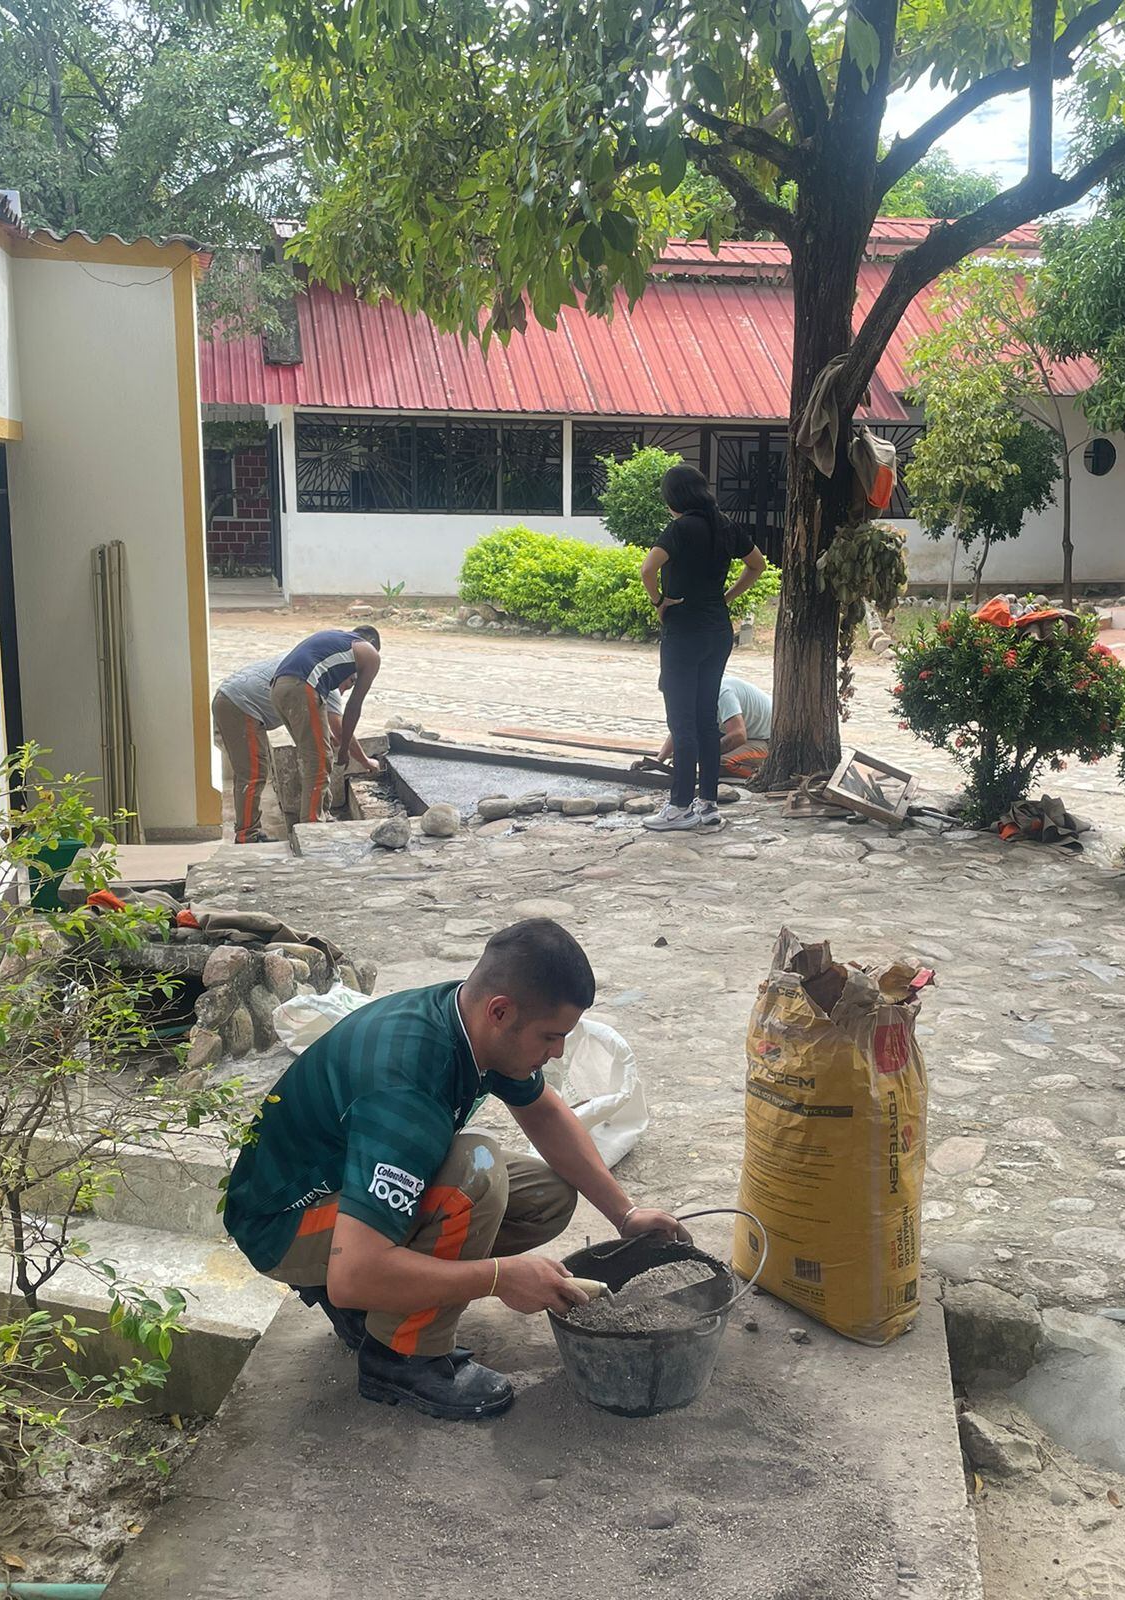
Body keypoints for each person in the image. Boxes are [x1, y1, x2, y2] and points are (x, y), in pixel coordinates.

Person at [223, 919, 690, 1421]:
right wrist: (497, 1278)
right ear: (501, 1011)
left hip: (345, 1180)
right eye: (551, 1038)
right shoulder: (405, 1086)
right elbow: (353, 1272)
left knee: (547, 1195)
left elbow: (544, 1110)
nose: (556, 1053)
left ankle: (376, 1302)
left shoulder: (468, 1021)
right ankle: (402, 1355)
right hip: (283, 1222)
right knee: (476, 1172)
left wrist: (625, 1213)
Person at [639, 466, 766, 832]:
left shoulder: (680, 528)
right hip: (717, 632)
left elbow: (648, 569)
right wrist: (725, 597)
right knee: (706, 720)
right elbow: (756, 565)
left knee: (682, 722)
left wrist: (659, 601)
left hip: (684, 631)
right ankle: (707, 804)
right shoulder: (726, 525)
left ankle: (679, 806)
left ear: (673, 498)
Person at [213, 654, 382, 843]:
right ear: (343, 672)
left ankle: (253, 831)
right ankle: (247, 836)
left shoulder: (307, 664)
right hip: (238, 704)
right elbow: (342, 733)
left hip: (230, 697)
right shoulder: (325, 683)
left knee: (257, 771)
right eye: (349, 683)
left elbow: (317, 726)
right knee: (253, 773)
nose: (343, 691)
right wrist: (366, 761)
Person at [270, 626, 382, 825]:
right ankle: (312, 826)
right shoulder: (370, 653)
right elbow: (354, 706)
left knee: (316, 754)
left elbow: (331, 712)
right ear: (373, 643)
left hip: (279, 688)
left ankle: (323, 813)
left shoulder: (336, 639)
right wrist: (345, 748)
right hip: (301, 688)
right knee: (319, 760)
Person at [654, 673, 773, 784]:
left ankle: (761, 775)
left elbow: (739, 735)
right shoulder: (697, 691)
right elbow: (681, 728)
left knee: (719, 764)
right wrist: (658, 761)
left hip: (766, 740)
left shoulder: (722, 692)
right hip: (746, 733)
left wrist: (701, 754)